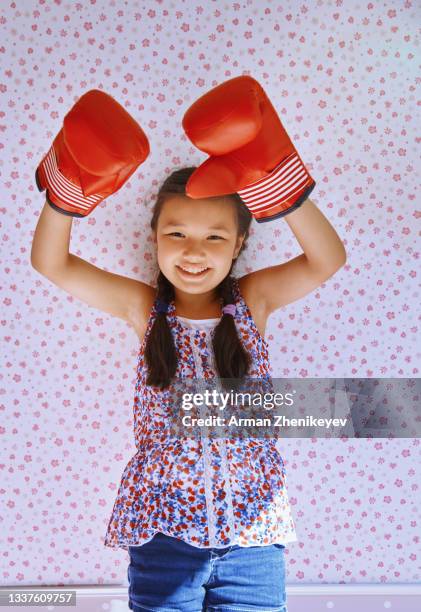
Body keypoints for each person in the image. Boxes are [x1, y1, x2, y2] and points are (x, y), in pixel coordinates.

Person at [31, 79, 346, 612]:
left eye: (215, 237)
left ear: (240, 243)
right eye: (177, 234)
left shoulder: (253, 301)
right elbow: (52, 263)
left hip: (252, 535)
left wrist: (272, 183)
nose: (194, 252)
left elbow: (326, 259)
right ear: (154, 237)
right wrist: (68, 195)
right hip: (163, 533)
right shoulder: (144, 310)